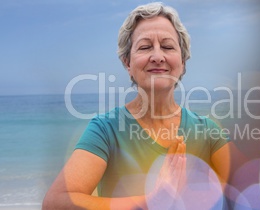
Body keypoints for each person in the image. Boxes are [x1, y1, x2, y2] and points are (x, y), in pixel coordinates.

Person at [42, 2, 231, 209]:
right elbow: (55, 203)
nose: (158, 56)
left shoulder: (209, 133)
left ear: (183, 61)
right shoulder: (107, 129)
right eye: (145, 47)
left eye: (168, 47)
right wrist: (152, 201)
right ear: (127, 63)